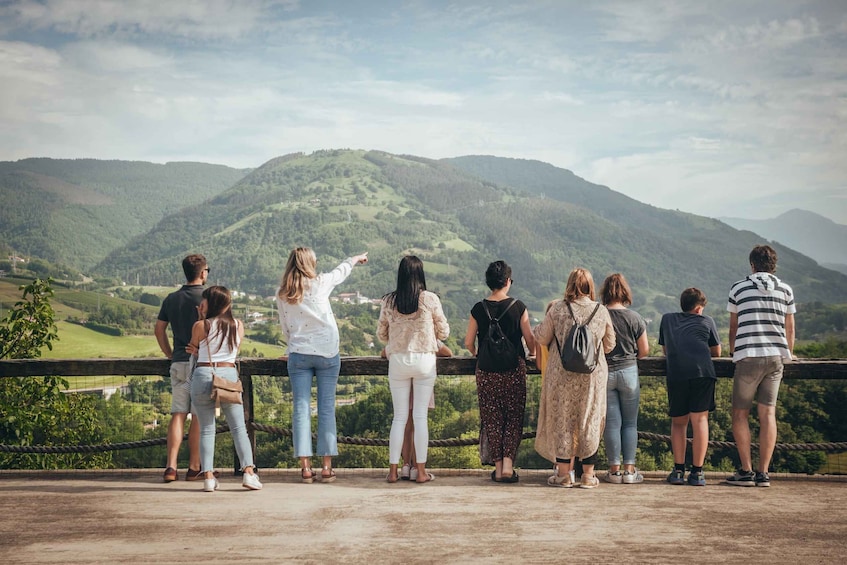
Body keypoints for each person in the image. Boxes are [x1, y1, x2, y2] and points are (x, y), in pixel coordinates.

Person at [276, 248, 369, 483]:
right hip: (328, 353)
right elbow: (341, 272)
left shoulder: (283, 293)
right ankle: (327, 467)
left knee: (301, 409)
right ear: (310, 263)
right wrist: (355, 258)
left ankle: (306, 468)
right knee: (326, 408)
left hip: (298, 354)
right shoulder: (320, 283)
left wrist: (294, 347)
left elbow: (285, 327)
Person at [534, 268, 616, 489]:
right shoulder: (601, 311)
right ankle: (588, 476)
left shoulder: (558, 309)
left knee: (563, 420)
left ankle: (563, 475)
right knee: (589, 419)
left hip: (561, 374)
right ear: (590, 286)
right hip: (592, 376)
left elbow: (542, 336)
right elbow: (609, 345)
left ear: (569, 285)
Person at [726, 245, 796, 488]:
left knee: (740, 414)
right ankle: (763, 473)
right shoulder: (786, 289)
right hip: (776, 357)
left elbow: (733, 327)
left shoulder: (738, 288)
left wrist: (734, 351)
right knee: (768, 415)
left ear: (752, 265)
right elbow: (790, 328)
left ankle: (746, 471)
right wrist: (790, 353)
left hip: (748, 356)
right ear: (773, 265)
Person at [378, 255, 449, 484]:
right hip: (424, 360)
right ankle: (420, 472)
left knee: (399, 417)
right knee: (419, 417)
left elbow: (381, 334)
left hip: (398, 360)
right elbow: (444, 331)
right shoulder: (429, 299)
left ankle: (392, 472)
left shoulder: (389, 301)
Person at [465, 260, 536, 483]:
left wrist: (478, 352)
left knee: (492, 418)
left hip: (486, 371)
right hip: (514, 369)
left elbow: (468, 342)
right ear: (507, 282)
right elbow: (530, 341)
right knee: (513, 417)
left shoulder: (478, 308)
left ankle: (497, 468)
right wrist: (532, 352)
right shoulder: (518, 307)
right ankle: (508, 465)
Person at [187, 286, 262, 492]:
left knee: (207, 429)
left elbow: (194, 348)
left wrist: (202, 317)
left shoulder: (200, 326)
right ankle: (248, 472)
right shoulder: (238, 325)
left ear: (209, 304)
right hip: (227, 375)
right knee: (239, 428)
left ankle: (209, 478)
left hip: (203, 374)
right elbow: (233, 350)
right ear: (227, 304)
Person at [658, 288, 721, 487]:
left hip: (677, 373)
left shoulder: (667, 319)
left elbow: (666, 349)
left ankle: (678, 470)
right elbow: (716, 352)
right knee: (700, 420)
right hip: (703, 372)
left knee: (679, 422)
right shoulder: (707, 321)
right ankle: (698, 472)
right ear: (698, 308)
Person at [154, 254, 208, 483]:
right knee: (197, 416)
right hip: (201, 362)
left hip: (178, 362)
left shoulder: (171, 299)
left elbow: (159, 330)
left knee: (178, 414)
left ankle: (171, 467)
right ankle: (194, 466)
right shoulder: (208, 297)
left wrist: (169, 353)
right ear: (203, 272)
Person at [600, 273, 649, 485]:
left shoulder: (601, 315)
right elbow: (644, 350)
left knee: (612, 423)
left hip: (606, 373)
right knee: (630, 424)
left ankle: (614, 470)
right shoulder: (635, 317)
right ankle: (630, 471)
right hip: (629, 371)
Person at [384, 341, 452, 481]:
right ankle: (418, 469)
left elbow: (384, 352)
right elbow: (447, 352)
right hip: (422, 371)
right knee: (419, 421)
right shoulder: (427, 337)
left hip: (400, 370)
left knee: (402, 422)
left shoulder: (399, 336)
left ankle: (401, 467)